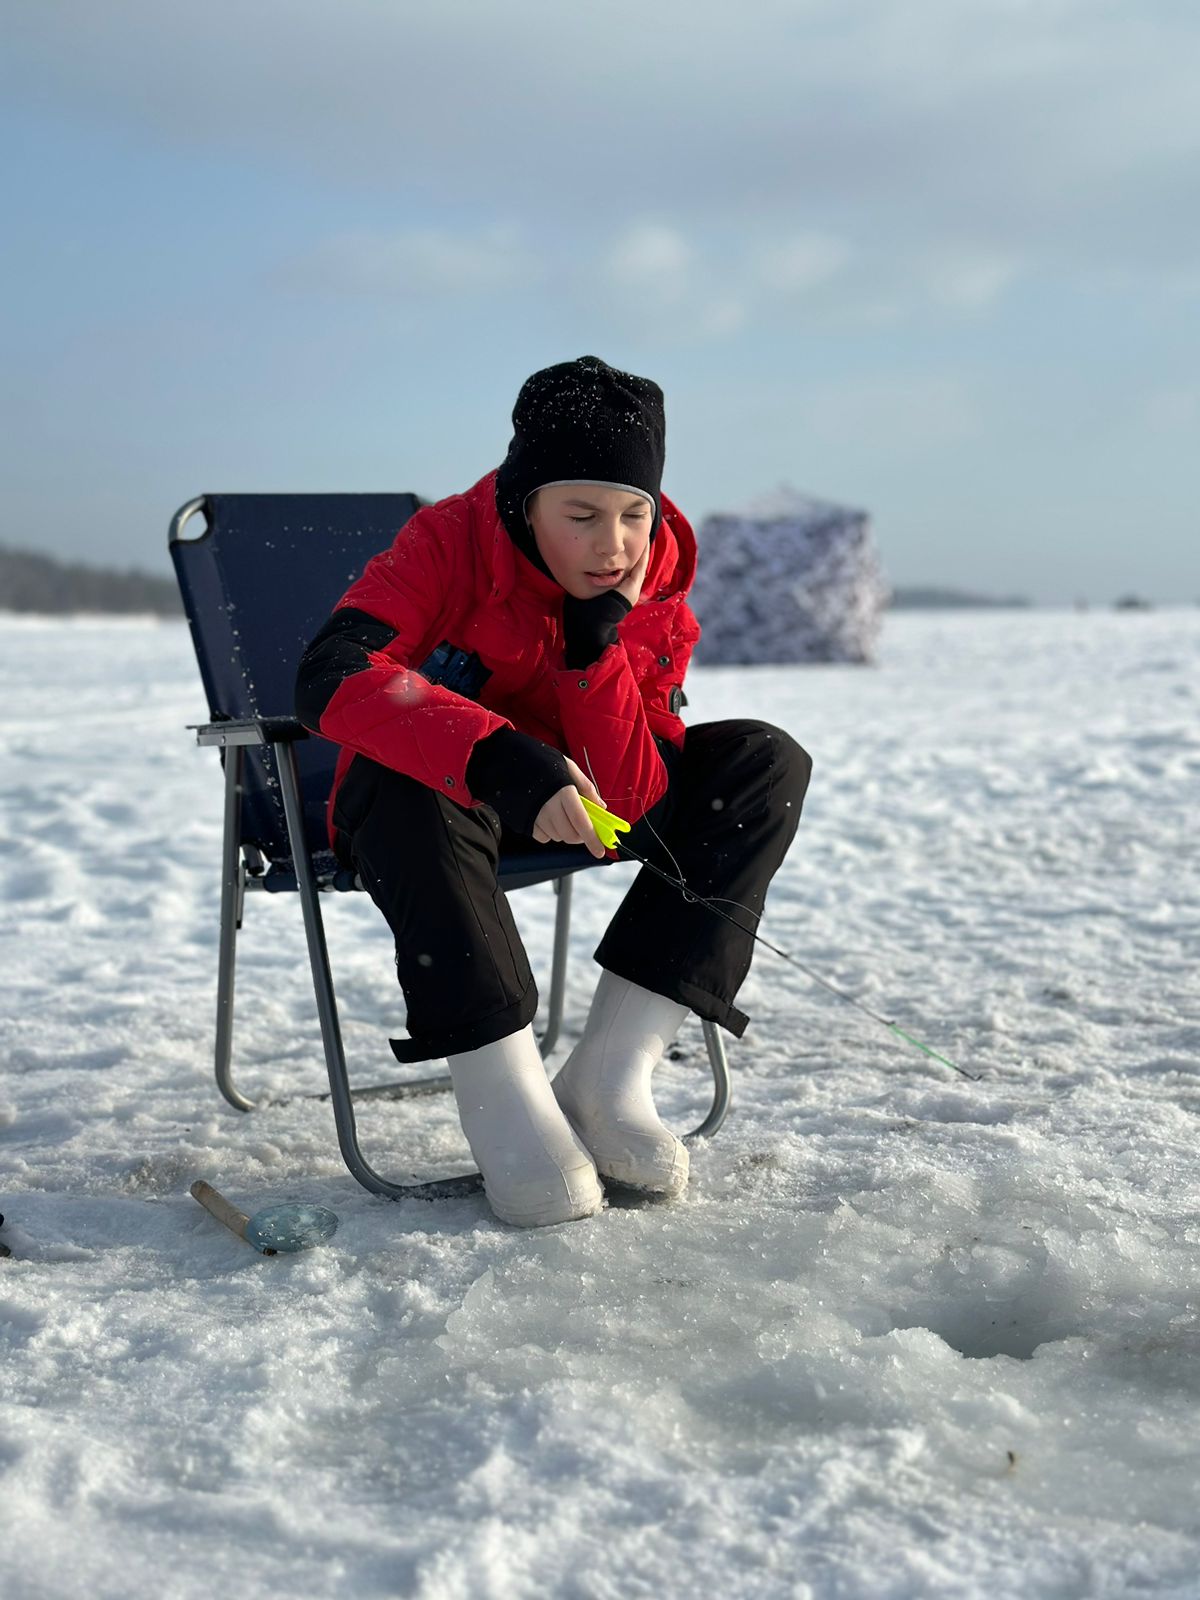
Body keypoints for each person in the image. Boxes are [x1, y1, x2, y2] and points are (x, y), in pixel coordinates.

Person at [295, 355, 812, 1228]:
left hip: (581, 807)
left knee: (763, 761)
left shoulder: (657, 571)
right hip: (427, 809)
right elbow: (329, 674)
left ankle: (610, 1077)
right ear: (524, 501)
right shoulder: (447, 543)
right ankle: (504, 1100)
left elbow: (635, 802)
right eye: (582, 516)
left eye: (632, 514)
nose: (614, 545)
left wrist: (593, 646)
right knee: (407, 777)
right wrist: (499, 753)